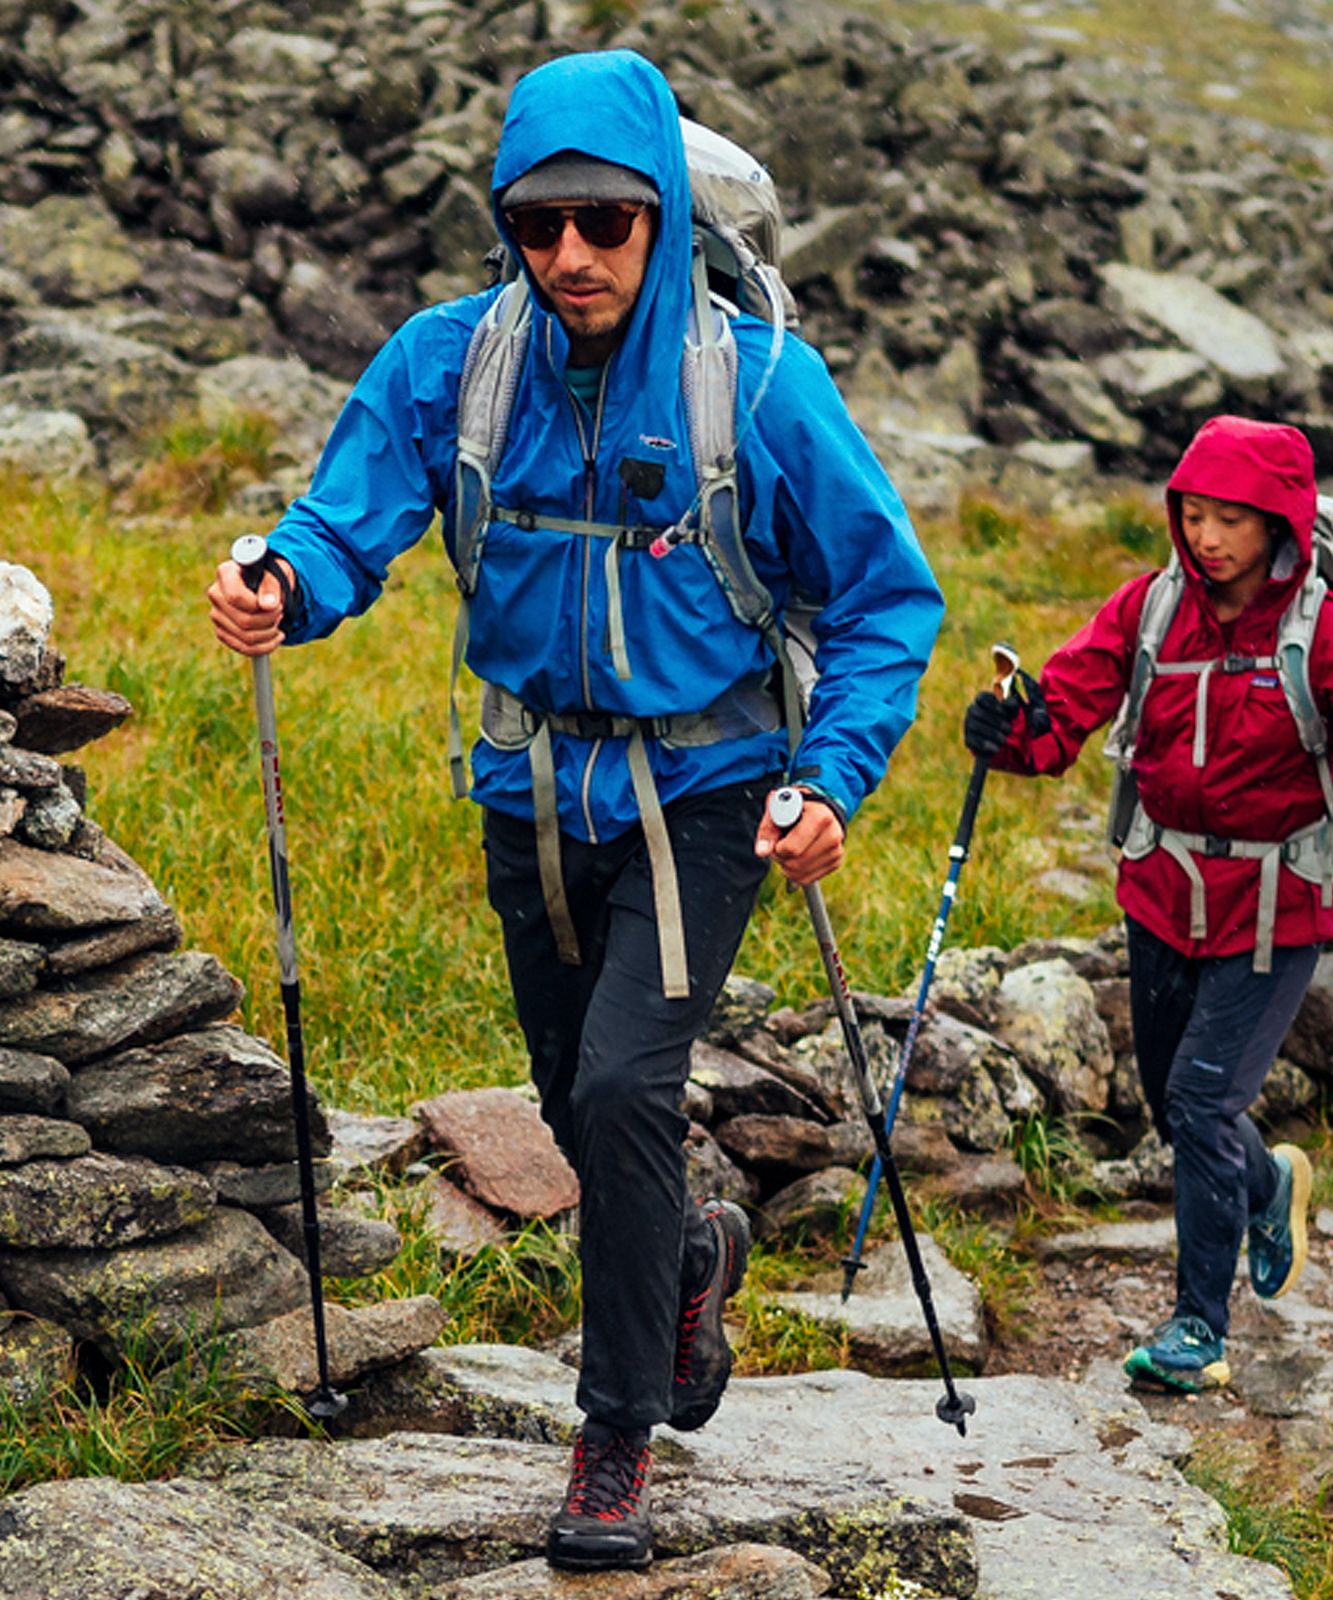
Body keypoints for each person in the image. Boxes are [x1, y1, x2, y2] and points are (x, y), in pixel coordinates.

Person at [203, 50, 942, 1572]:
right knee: (575, 1097)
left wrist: (835, 777)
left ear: (663, 218)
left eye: (606, 223)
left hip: (713, 790)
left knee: (618, 1090)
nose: (571, 258)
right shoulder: (448, 359)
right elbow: (352, 512)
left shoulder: (760, 386)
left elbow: (886, 601)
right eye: (539, 227)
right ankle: (682, 1257)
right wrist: (287, 578)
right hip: (531, 789)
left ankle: (614, 1439)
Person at [966, 415, 1333, 1394]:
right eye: (1194, 513)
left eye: (1234, 518)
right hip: (1161, 891)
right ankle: (1270, 1185)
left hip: (1277, 907)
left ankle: (1197, 1326)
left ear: (1282, 524)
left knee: (1198, 1098)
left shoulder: (1325, 634)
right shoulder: (1148, 610)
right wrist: (1007, 729)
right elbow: (1060, 719)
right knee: (1180, 1110)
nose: (1210, 536)